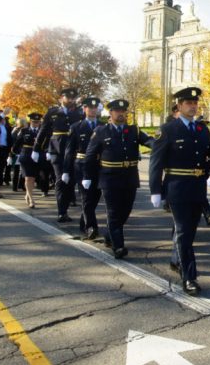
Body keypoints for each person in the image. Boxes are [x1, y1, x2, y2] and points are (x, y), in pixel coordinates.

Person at [149, 87, 210, 296]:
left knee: (189, 232)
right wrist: (156, 189)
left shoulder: (201, 130)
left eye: (195, 103)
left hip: (197, 187)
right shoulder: (168, 129)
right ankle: (189, 277)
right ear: (179, 106)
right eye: (188, 103)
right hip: (177, 187)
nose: (192, 106)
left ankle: (178, 260)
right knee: (183, 231)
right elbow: (156, 162)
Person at [82, 99, 154, 258]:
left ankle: (109, 235)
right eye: (117, 111)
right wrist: (87, 176)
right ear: (111, 113)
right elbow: (90, 155)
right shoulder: (101, 131)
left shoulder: (133, 130)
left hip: (130, 177)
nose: (121, 114)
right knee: (114, 213)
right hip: (109, 178)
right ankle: (118, 246)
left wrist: (163, 145)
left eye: (123, 111)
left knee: (125, 212)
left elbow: (149, 141)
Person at [33, 88, 84, 223]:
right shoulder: (52, 112)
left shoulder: (78, 113)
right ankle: (62, 212)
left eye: (73, 98)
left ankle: (65, 207)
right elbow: (43, 130)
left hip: (73, 151)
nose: (71, 100)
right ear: (62, 98)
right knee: (61, 180)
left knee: (70, 182)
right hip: (57, 150)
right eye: (68, 98)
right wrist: (36, 148)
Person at [63, 97, 104, 240]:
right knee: (86, 196)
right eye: (89, 107)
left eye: (95, 107)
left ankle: (84, 221)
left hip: (99, 165)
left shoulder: (103, 126)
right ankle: (91, 227)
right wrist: (66, 170)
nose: (93, 110)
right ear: (84, 109)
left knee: (95, 196)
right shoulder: (76, 127)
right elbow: (69, 150)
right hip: (81, 165)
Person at [13, 114, 42, 208]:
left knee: (33, 178)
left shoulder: (42, 131)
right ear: (30, 122)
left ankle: (28, 194)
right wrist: (12, 154)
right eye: (34, 122)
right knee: (28, 178)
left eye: (37, 122)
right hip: (26, 155)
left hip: (37, 156)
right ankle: (31, 199)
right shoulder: (24, 131)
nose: (35, 124)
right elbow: (17, 143)